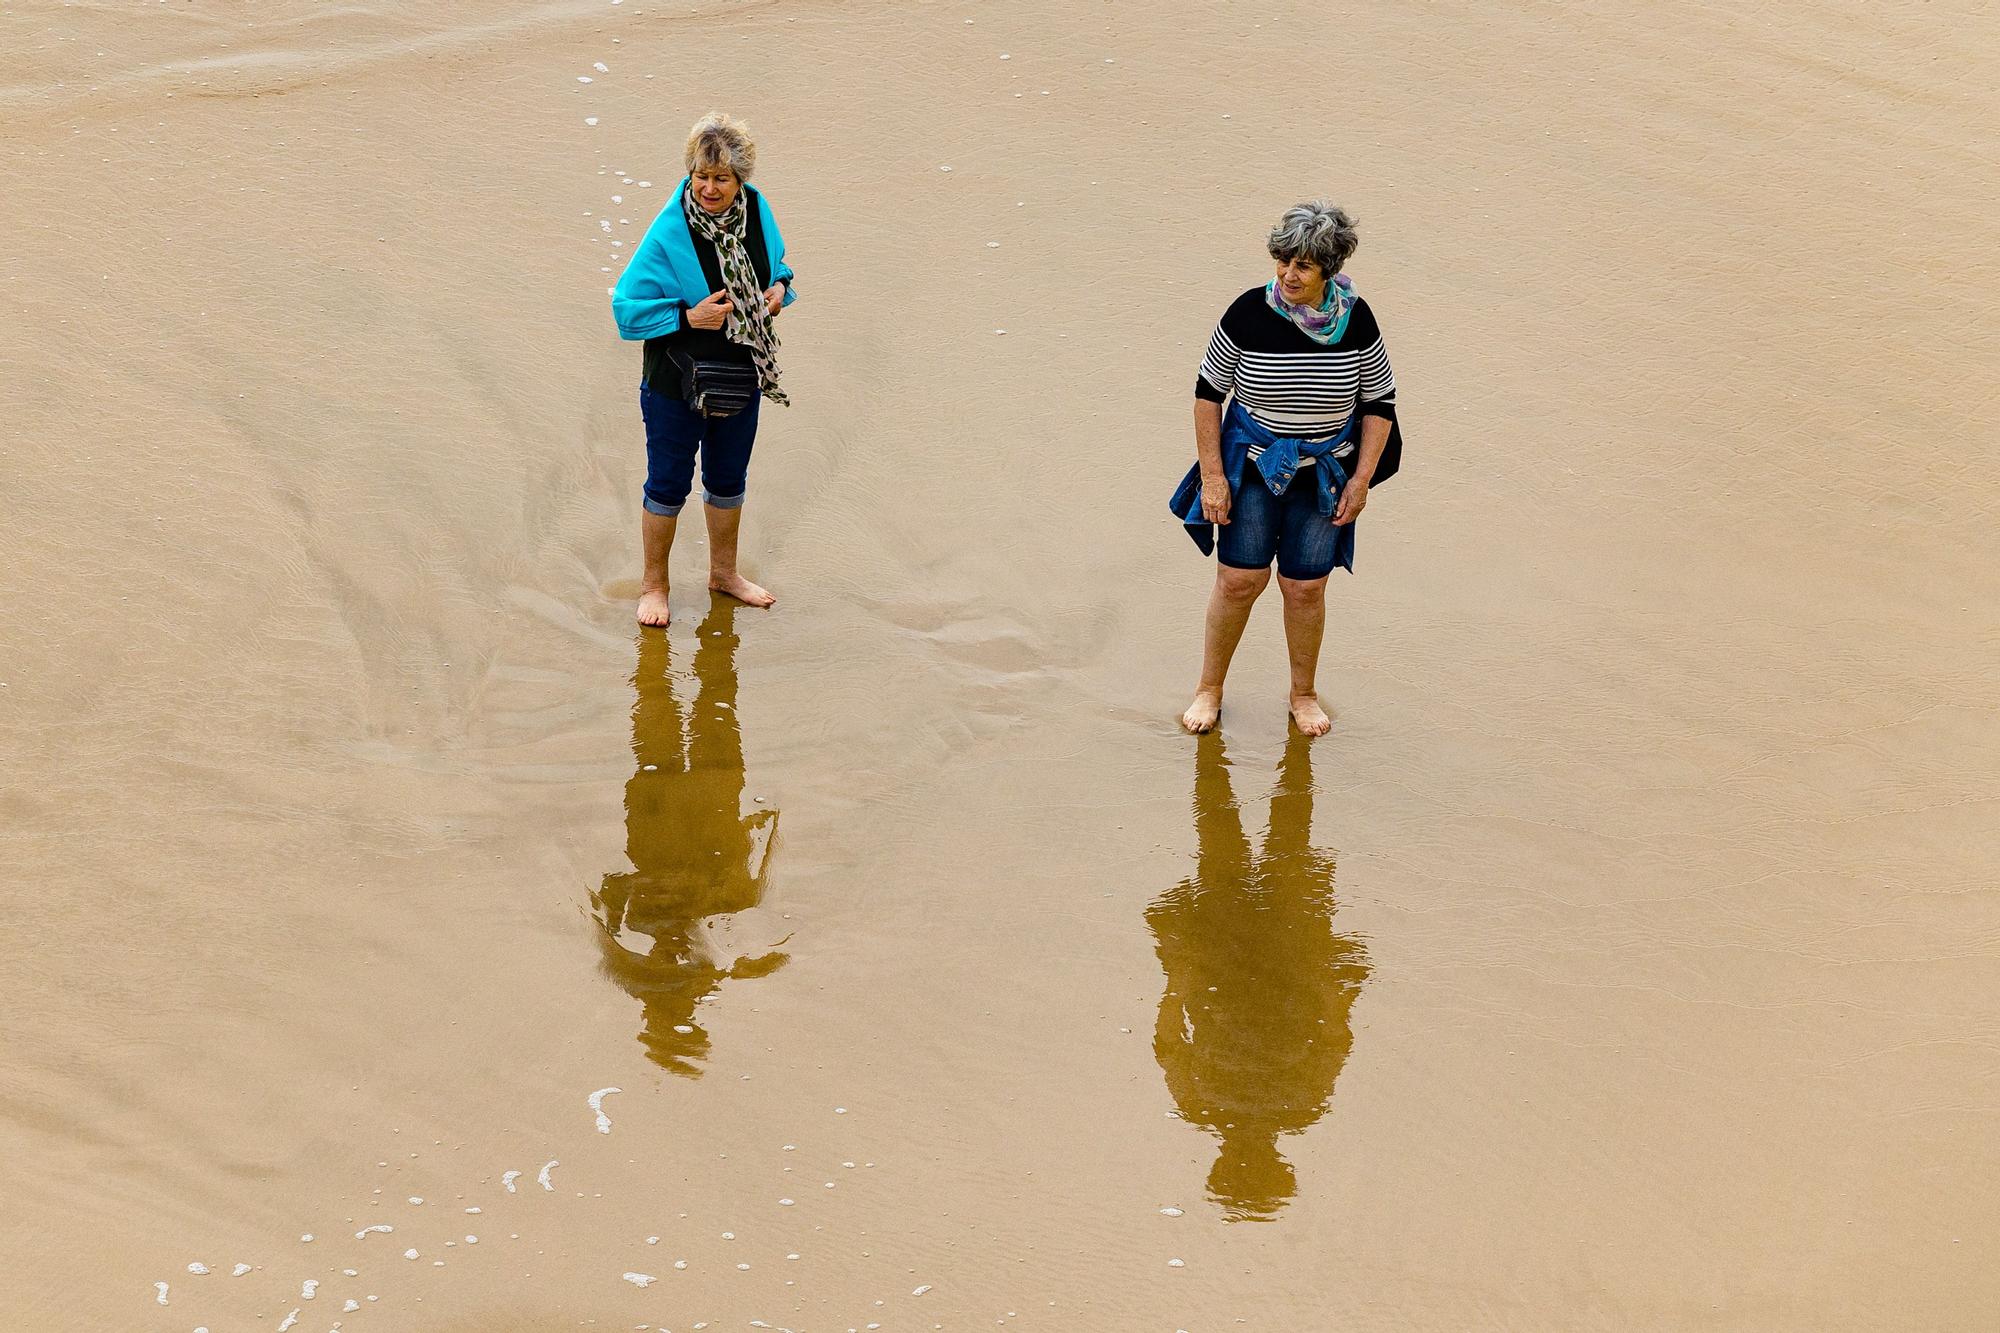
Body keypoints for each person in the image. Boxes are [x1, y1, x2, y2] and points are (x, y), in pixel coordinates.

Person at [1170, 201, 1401, 736]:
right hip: (1251, 468)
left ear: (1330, 271)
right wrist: (1212, 476)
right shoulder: (1248, 313)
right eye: (1282, 261)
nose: (1287, 275)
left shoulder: (1357, 322)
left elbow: (1379, 406)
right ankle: (1209, 689)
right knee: (1238, 580)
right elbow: (1208, 396)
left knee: (1306, 588)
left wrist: (1362, 481)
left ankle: (1303, 695)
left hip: (1324, 473)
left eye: (1302, 266)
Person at [1147, 731, 1369, 1219]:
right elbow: (1333, 1039)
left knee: (1231, 854)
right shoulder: (1300, 1106)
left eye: (1238, 1165)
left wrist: (1178, 975)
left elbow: (1168, 1042)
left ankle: (1256, 759)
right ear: (1279, 1163)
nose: (1248, 1154)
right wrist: (1331, 984)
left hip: (1230, 971)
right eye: (1257, 1165)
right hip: (1279, 970)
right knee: (1269, 850)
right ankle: (1289, 757)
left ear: (1223, 1162)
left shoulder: (1204, 1105)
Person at [611, 111, 798, 627]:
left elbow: (780, 267)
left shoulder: (758, 212)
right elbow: (626, 309)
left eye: (721, 178)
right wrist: (688, 316)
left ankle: (724, 575)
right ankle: (654, 586)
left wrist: (779, 291)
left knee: (728, 480)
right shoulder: (670, 230)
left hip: (740, 376)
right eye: (701, 176)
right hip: (674, 381)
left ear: (742, 180)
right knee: (667, 485)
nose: (709, 188)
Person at [592, 599, 789, 1077]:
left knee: (681, 728)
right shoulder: (657, 962)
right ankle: (703, 640)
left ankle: (682, 648)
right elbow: (612, 891)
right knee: (703, 722)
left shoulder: (637, 956)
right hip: (691, 827)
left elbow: (612, 890)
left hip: (665, 829)